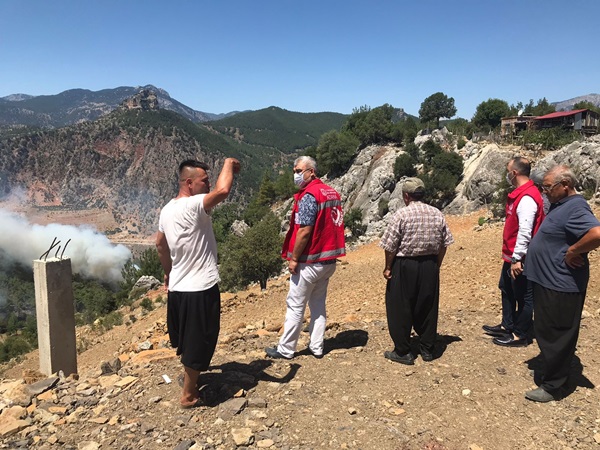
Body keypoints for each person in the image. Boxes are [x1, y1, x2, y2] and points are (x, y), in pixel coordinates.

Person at [156, 158, 240, 408]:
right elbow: (223, 191)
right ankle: (189, 394)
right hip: (200, 287)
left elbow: (160, 245)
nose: (209, 184)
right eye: (204, 180)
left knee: (186, 338)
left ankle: (190, 378)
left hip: (179, 288)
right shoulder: (194, 205)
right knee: (200, 339)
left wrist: (168, 272)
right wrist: (228, 163)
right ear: (189, 183)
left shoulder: (167, 209)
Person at [523, 165, 600, 402]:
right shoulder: (563, 205)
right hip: (549, 281)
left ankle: (554, 386)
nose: (544, 192)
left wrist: (572, 251)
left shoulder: (576, 207)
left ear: (565, 185)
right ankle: (554, 372)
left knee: (557, 333)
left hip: (560, 284)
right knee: (547, 329)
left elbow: (597, 234)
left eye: (547, 187)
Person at [265, 156, 346, 360]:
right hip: (329, 260)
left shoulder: (310, 195)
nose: (296, 175)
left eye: (299, 171)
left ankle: (285, 349)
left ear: (311, 172)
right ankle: (317, 346)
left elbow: (304, 231)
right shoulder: (331, 192)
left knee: (296, 305)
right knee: (318, 304)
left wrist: (294, 258)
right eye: (294, 170)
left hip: (311, 261)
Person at [379, 177, 454, 364]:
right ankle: (427, 349)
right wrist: (437, 263)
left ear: (406, 196)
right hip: (429, 264)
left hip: (405, 265)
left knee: (400, 307)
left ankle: (403, 351)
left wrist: (388, 267)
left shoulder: (401, 215)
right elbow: (445, 243)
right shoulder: (437, 213)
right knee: (427, 305)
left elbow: (390, 246)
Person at [483, 157, 545, 347]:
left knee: (524, 296)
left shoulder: (527, 198)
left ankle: (520, 334)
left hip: (521, 257)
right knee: (506, 287)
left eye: (508, 170)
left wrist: (517, 258)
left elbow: (525, 231)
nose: (507, 174)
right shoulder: (522, 194)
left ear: (514, 173)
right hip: (511, 255)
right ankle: (507, 324)